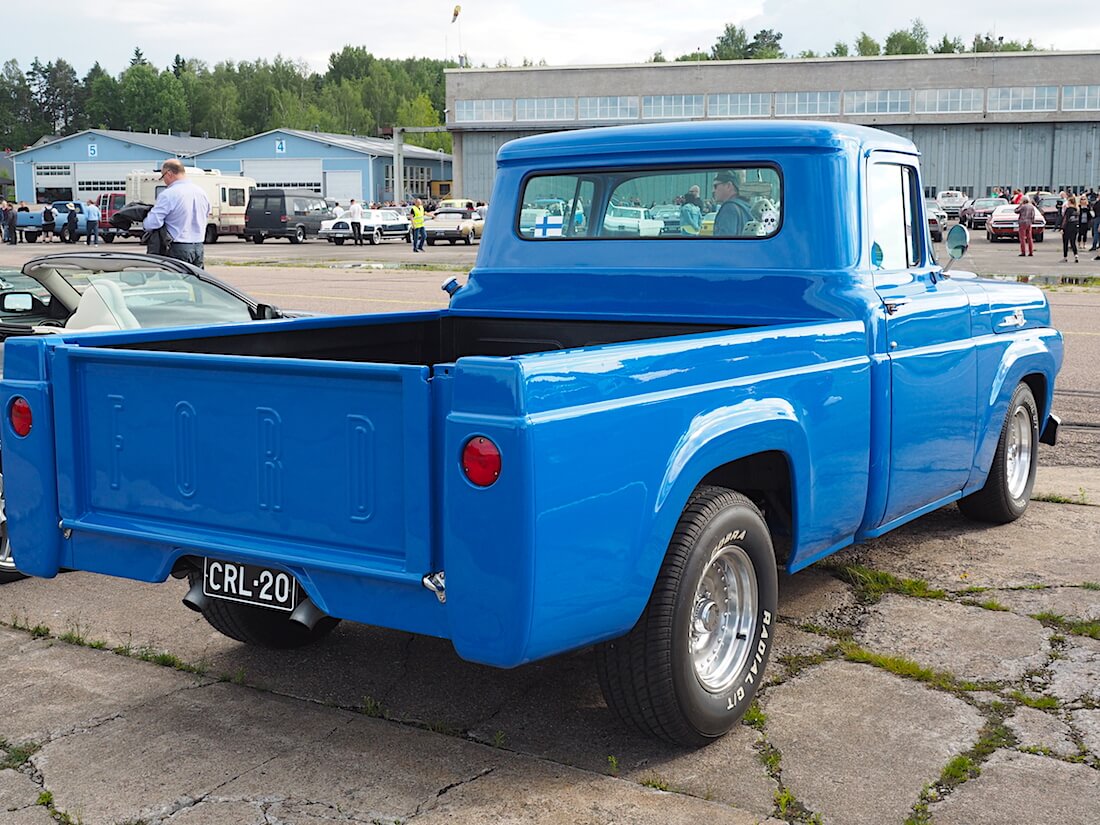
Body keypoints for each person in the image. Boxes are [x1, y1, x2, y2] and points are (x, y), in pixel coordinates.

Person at [142, 159, 211, 266]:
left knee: (173, 281)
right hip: (198, 246)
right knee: (195, 282)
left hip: (177, 247)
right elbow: (207, 214)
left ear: (169, 173)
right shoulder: (201, 192)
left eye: (162, 176)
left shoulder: (169, 194)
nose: (164, 180)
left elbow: (153, 223)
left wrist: (144, 222)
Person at [712, 171, 753, 237]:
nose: (713, 191)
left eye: (715, 186)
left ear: (728, 185)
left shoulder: (729, 208)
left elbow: (724, 243)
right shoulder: (747, 207)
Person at [1060, 196, 1080, 262]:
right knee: (1073, 242)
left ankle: (1065, 257)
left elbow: (1065, 219)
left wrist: (1062, 228)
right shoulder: (1076, 210)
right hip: (1074, 227)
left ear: (1070, 202)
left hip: (1067, 228)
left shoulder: (1068, 210)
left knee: (1065, 242)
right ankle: (1076, 255)